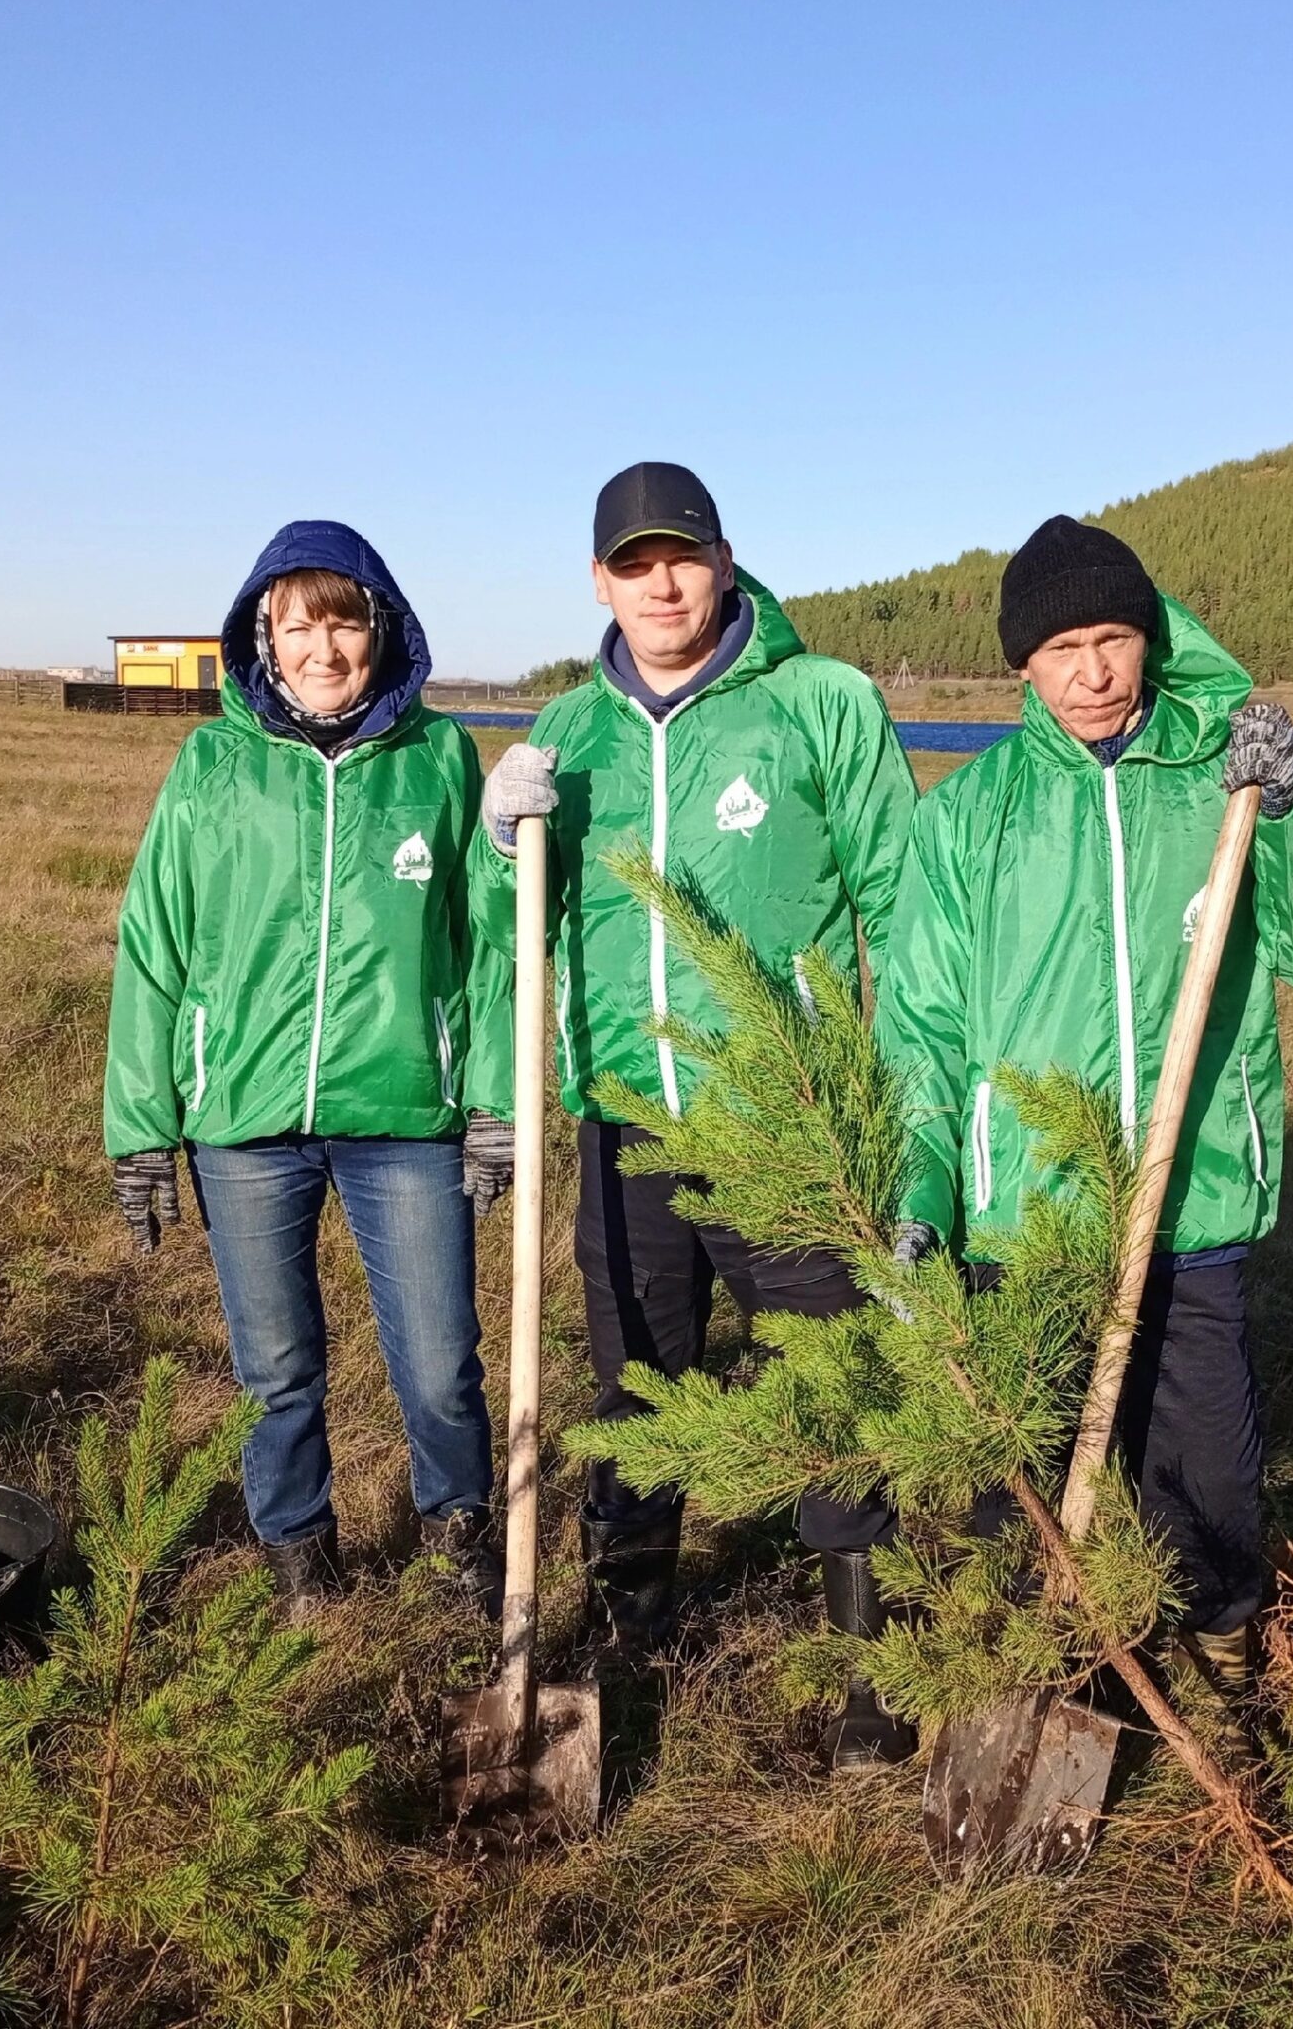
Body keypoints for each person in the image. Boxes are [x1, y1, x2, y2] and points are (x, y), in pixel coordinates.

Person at [877, 516, 1293, 1685]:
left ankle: (1219, 1656)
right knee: (1025, 1477)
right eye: (1062, 649)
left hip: (1191, 1195)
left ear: (1150, 639)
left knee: (1206, 1474)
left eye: (1113, 638)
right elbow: (922, 1030)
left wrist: (1290, 808)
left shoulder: (1224, 786)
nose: (1093, 672)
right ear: (1021, 666)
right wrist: (921, 1195)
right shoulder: (968, 817)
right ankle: (1041, 1669)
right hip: (1028, 1212)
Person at [474, 462, 920, 1764]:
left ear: (725, 561)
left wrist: (909, 1119)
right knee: (638, 1382)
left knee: (834, 1376)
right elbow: (520, 939)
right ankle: (636, 1633)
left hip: (790, 1118)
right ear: (598, 581)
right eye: (633, 564)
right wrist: (502, 850)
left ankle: (866, 1672)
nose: (661, 584)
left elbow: (905, 912)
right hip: (626, 1125)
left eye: (682, 556)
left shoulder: (821, 703)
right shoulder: (569, 730)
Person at [104, 520, 509, 1623]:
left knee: (440, 1365)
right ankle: (299, 1560)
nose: (323, 649)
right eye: (297, 626)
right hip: (242, 1121)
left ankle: (458, 1544)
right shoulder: (211, 765)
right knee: (276, 1369)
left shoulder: (437, 757)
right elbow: (154, 941)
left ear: (381, 629)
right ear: (262, 638)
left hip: (404, 1116)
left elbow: (486, 941)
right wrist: (141, 1126)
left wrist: (493, 1098)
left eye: (343, 623)